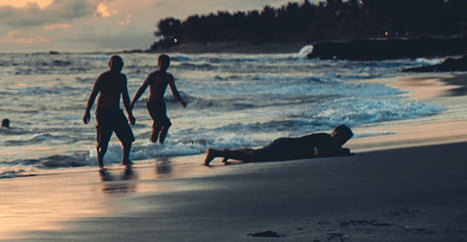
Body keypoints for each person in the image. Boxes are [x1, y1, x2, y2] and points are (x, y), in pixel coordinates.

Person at [204, 124, 353, 166]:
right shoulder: (324, 138)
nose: (338, 140)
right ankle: (216, 153)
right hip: (285, 146)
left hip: (286, 150)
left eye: (342, 140)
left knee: (256, 154)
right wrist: (342, 152)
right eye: (338, 136)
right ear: (333, 132)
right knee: (255, 156)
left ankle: (228, 152)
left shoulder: (333, 146)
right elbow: (319, 153)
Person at [82, 54, 137, 167]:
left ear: (122, 66)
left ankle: (125, 160)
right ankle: (100, 162)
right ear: (109, 65)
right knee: (103, 143)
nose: (116, 67)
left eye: (118, 65)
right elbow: (93, 95)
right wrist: (87, 112)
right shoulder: (103, 77)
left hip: (116, 112)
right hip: (103, 112)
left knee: (128, 139)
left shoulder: (122, 78)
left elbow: (125, 97)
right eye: (113, 65)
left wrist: (130, 114)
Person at [134, 53, 188, 144]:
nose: (164, 65)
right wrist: (133, 102)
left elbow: (174, 91)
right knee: (160, 124)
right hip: (151, 104)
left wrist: (181, 101)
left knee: (162, 125)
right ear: (158, 63)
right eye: (162, 63)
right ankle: (153, 144)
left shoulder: (169, 77)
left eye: (166, 63)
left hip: (161, 105)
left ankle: (159, 144)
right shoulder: (153, 75)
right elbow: (142, 89)